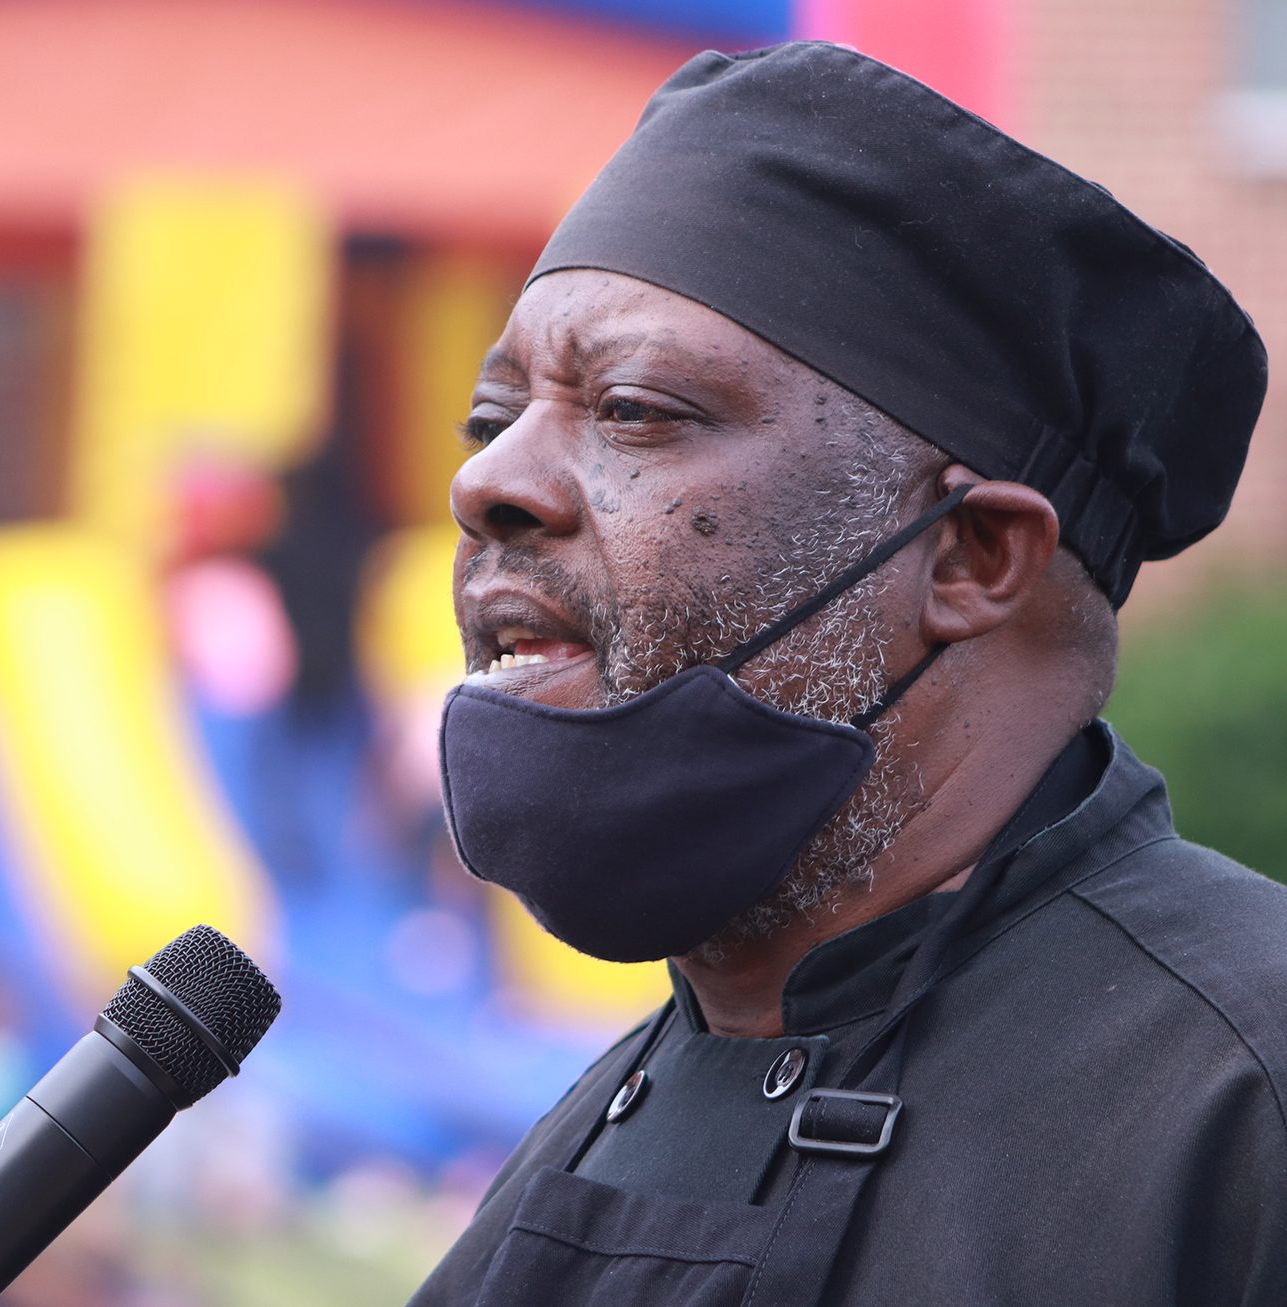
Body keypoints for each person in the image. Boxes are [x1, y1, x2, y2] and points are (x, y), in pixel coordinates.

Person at [412, 41, 1282, 1306]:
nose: (485, 483)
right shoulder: (586, 1135)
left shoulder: (1240, 1103)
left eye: (638, 408)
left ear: (972, 556)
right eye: (492, 422)